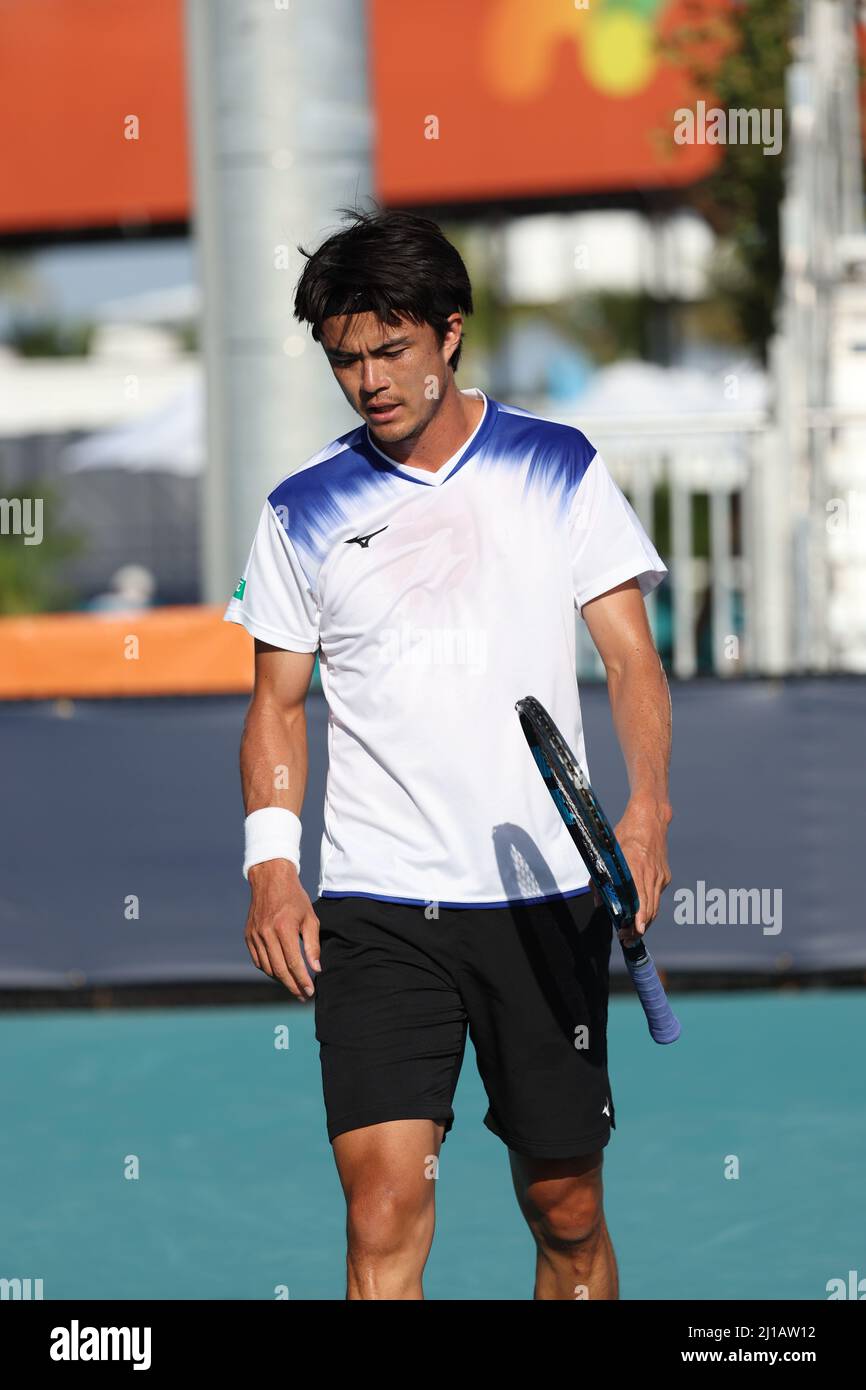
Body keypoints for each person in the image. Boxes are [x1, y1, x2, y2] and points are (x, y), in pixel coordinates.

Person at [224, 207, 673, 1300]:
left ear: (448, 331)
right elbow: (278, 704)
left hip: (541, 901)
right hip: (378, 907)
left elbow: (629, 661)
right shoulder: (299, 514)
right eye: (345, 360)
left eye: (390, 349)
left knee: (564, 1210)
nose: (369, 380)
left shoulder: (556, 465)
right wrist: (271, 862)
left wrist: (647, 808)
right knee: (381, 1209)